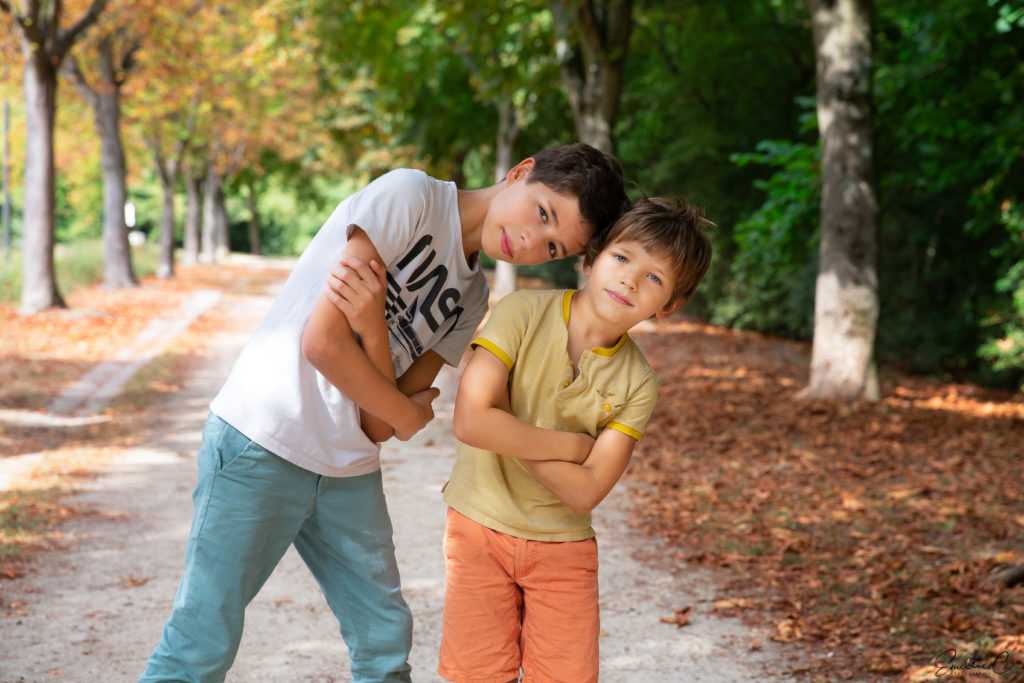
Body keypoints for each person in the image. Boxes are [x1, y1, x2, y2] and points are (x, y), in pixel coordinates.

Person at [139, 142, 629, 683]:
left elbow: (376, 424)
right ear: (520, 173)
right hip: (264, 435)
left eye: (554, 246)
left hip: (348, 469)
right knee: (202, 642)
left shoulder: (470, 299)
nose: (533, 242)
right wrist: (407, 412)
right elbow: (323, 344)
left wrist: (373, 328)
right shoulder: (410, 196)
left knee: (384, 641)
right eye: (543, 213)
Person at [438, 197, 713, 683]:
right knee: (475, 675)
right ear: (592, 257)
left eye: (654, 278)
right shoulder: (522, 313)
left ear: (670, 306)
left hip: (563, 551)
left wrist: (505, 422)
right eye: (622, 258)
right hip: (479, 524)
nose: (629, 279)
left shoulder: (638, 383)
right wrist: (570, 447)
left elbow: (587, 492)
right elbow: (470, 422)